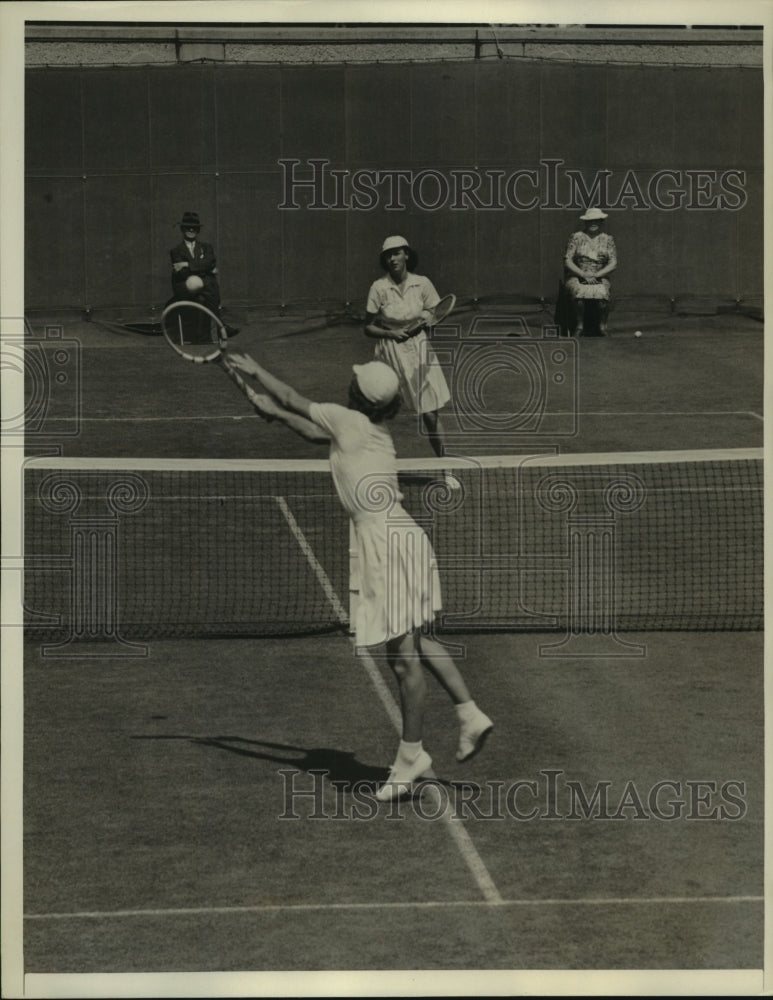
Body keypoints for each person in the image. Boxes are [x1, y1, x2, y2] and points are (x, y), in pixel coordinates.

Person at [226, 352, 493, 802]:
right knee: (415, 640)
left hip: (384, 546)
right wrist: (273, 414)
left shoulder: (347, 420)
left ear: (356, 396)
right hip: (405, 537)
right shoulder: (368, 432)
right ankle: (469, 713)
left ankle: (411, 758)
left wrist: (256, 373)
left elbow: (293, 397)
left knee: (403, 659)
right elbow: (312, 431)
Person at [363, 236, 452, 458]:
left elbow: (435, 312)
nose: (392, 258)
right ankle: (371, 464)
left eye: (396, 253)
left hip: (419, 351)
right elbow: (368, 328)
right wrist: (391, 333)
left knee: (430, 415)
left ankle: (446, 468)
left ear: (406, 255)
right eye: (388, 255)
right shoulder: (379, 287)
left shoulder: (422, 283)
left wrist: (426, 323)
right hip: (388, 353)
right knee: (376, 414)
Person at [169, 211, 239, 336]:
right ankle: (221, 327)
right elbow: (184, 274)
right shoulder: (176, 251)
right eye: (187, 227)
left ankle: (212, 330)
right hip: (185, 287)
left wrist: (187, 264)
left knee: (207, 286)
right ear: (182, 229)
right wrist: (204, 268)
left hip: (204, 287)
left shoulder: (206, 247)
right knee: (209, 282)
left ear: (198, 230)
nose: (191, 229)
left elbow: (210, 262)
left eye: (194, 227)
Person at [563, 208, 617, 336]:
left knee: (603, 293)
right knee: (579, 292)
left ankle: (602, 326)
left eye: (597, 220)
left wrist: (597, 275)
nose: (594, 223)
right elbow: (567, 260)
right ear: (586, 222)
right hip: (578, 274)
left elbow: (613, 262)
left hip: (600, 275)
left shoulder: (608, 239)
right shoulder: (576, 237)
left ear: (601, 221)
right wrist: (583, 274)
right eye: (591, 220)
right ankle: (579, 325)